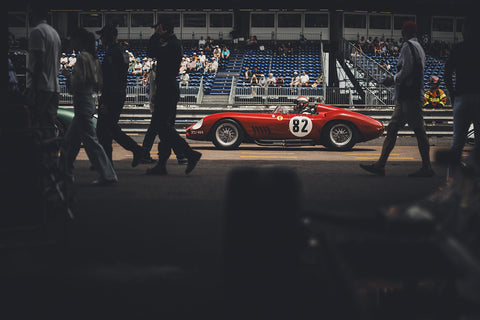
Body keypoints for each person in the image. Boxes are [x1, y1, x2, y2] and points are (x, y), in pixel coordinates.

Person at [360, 21, 434, 177]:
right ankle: (381, 164)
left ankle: (427, 167)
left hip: (409, 96)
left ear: (403, 32)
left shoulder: (408, 46)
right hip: (407, 96)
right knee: (393, 128)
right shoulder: (419, 47)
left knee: (419, 130)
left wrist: (392, 79)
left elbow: (407, 70)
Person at [60, 28, 117, 186]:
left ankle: (108, 174)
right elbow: (98, 83)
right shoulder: (93, 57)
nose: (71, 43)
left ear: (79, 40)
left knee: (91, 142)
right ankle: (65, 172)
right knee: (70, 142)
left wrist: (68, 77)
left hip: (82, 101)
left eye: (72, 39)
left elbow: (77, 83)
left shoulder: (82, 57)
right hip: (87, 101)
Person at [145, 18, 201, 175]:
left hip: (167, 89)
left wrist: (156, 36)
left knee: (163, 127)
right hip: (166, 88)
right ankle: (163, 164)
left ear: (163, 28)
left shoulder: (172, 44)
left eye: (157, 28)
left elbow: (152, 52)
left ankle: (190, 154)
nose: (155, 30)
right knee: (163, 129)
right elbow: (151, 53)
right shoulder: (169, 43)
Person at [95, 24, 148, 167]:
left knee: (103, 129)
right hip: (119, 92)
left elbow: (110, 78)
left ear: (110, 37)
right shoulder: (122, 51)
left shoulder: (112, 53)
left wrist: (104, 100)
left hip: (111, 94)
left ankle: (107, 163)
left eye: (103, 36)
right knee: (110, 128)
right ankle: (136, 150)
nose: (101, 39)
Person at [444, 15, 480, 179]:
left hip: (462, 97)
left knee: (457, 143)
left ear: (465, 29)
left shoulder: (458, 48)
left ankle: (450, 182)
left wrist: (452, 94)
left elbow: (447, 74)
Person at [25, 4, 61, 139]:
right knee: (49, 125)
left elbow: (39, 61)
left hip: (41, 87)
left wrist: (33, 88)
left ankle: (38, 158)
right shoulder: (54, 33)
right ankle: (51, 158)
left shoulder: (37, 32)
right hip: (54, 87)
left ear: (34, 13)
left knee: (35, 123)